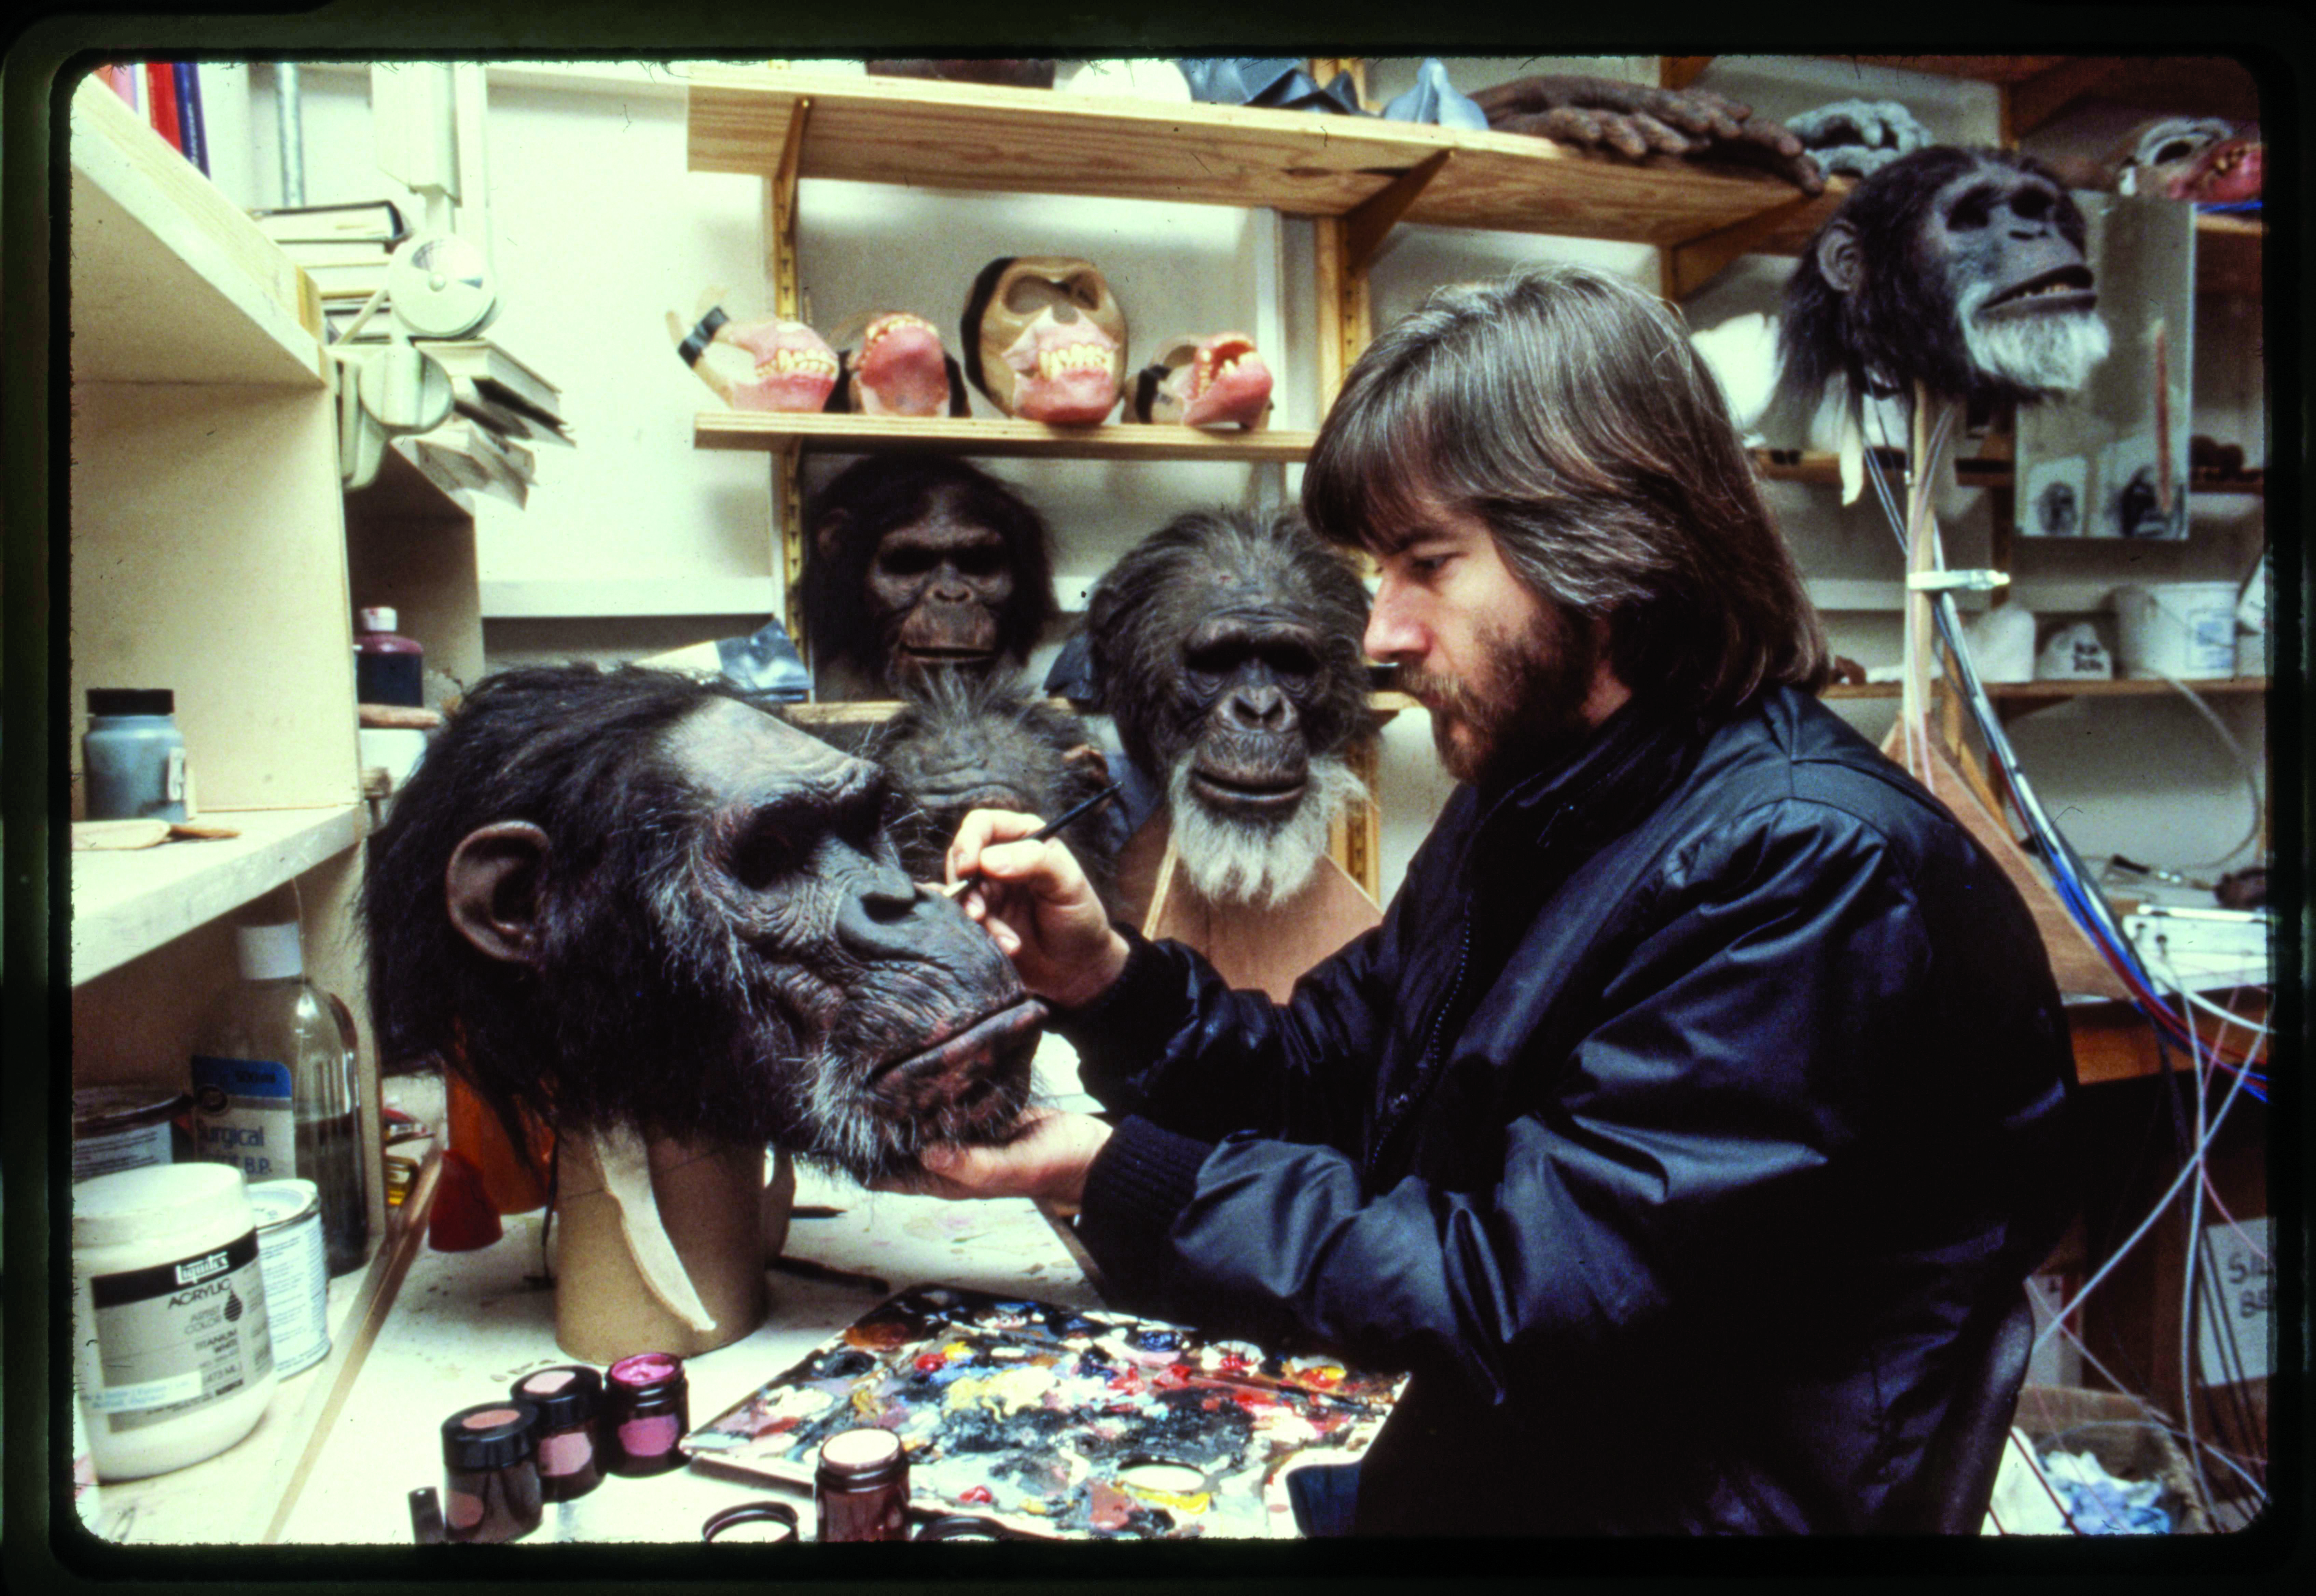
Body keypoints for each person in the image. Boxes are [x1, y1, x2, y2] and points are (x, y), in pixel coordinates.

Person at [909, 263, 2079, 1535]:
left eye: (1425, 564)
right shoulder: (1535, 795)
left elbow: (1531, 1291)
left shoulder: (1810, 868)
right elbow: (1341, 1076)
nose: (1380, 635)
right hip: (1522, 1465)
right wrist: (1109, 982)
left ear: (1610, 546)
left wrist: (1115, 1174)